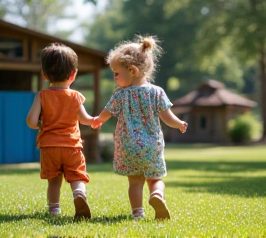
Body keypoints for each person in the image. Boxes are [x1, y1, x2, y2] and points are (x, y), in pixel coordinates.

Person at [91, 35, 187, 220]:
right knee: (155, 179)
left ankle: (138, 213)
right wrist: (179, 124)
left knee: (135, 181)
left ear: (132, 70)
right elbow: (168, 118)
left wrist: (97, 120)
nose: (114, 77)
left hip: (127, 147)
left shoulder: (120, 94)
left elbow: (106, 112)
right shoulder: (157, 92)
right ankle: (157, 195)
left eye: (116, 73)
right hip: (152, 147)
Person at [26, 43, 95, 221]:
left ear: (44, 74)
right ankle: (79, 193)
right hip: (72, 146)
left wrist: (41, 125)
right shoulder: (76, 96)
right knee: (77, 176)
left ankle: (54, 209)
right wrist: (95, 120)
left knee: (54, 180)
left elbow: (31, 121)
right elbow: (85, 119)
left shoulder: (42, 95)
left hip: (49, 146)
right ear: (73, 75)